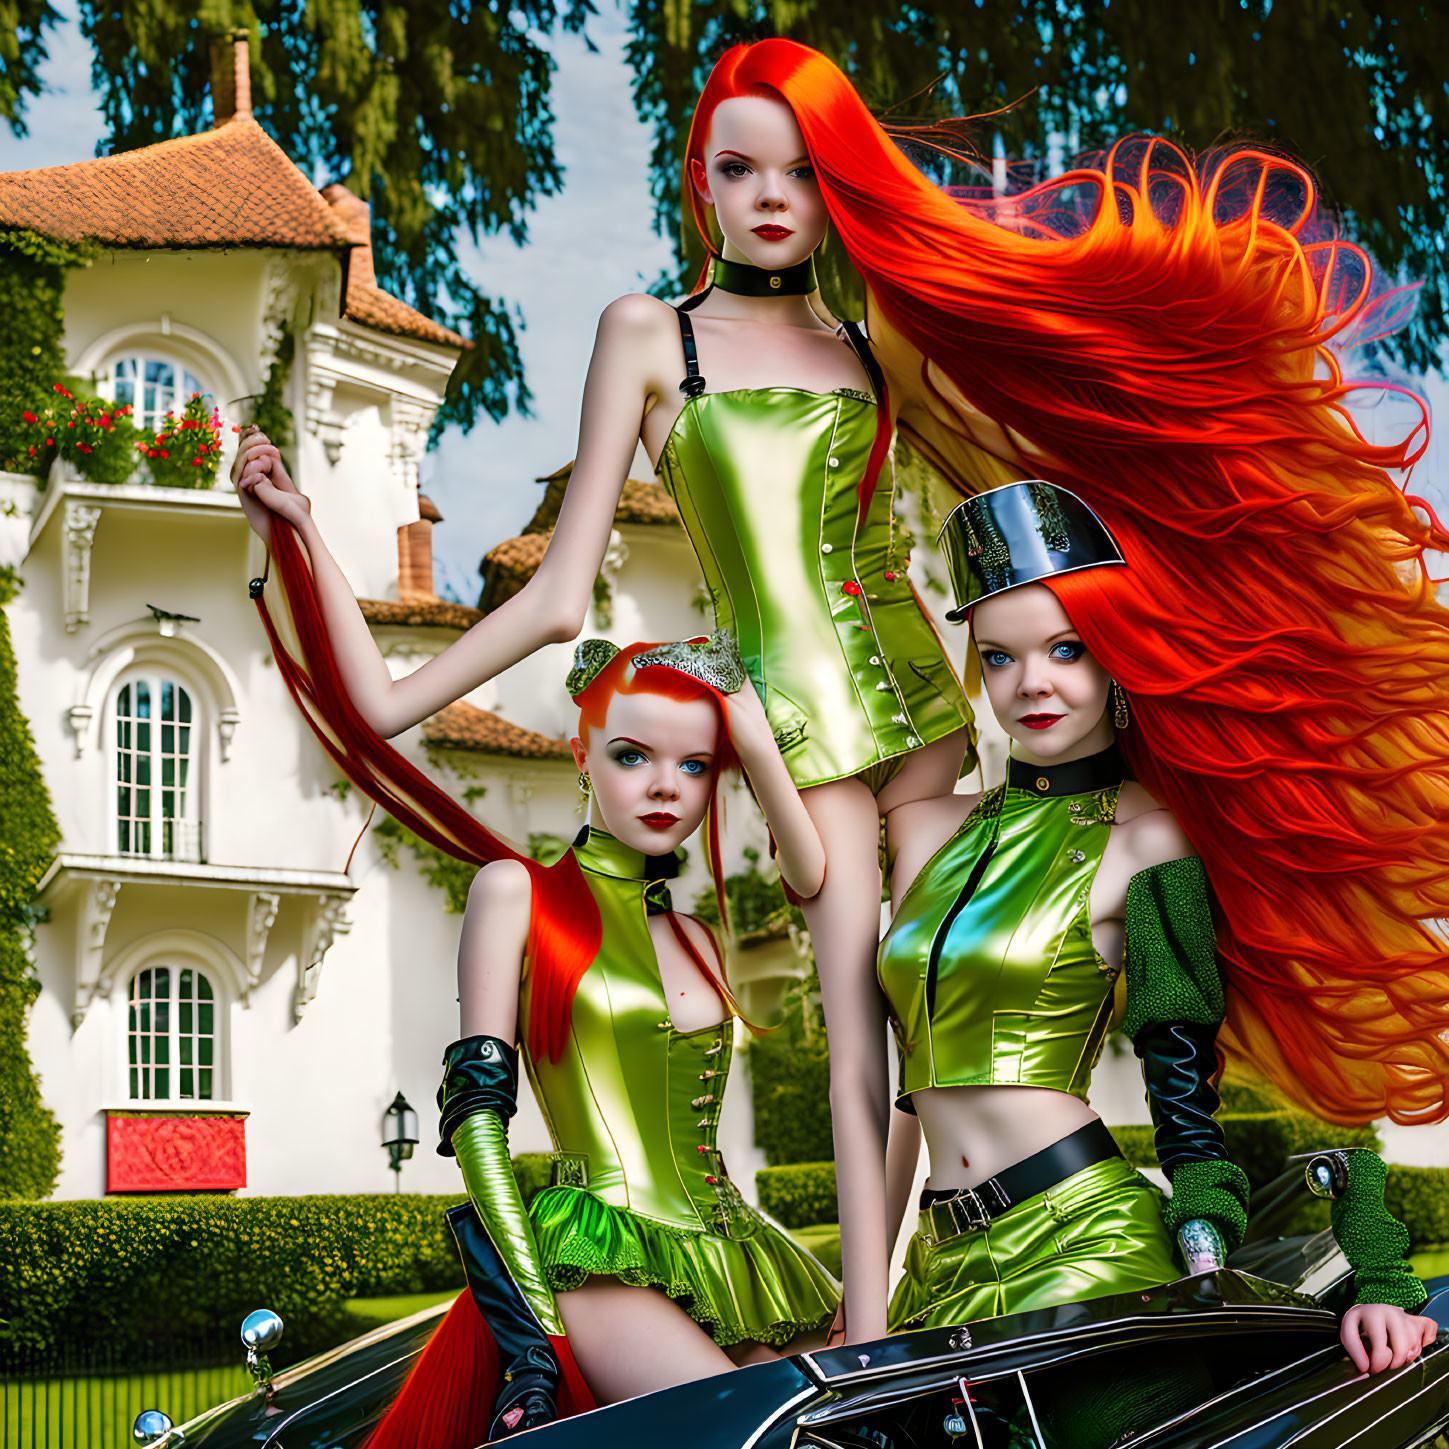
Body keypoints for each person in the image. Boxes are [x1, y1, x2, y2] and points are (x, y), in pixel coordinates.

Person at [234, 34, 1449, 1344]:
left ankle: (912, 1312)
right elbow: (556, 596)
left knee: (934, 1009)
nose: (772, 198)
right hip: (794, 732)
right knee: (864, 1026)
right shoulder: (652, 337)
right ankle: (871, 1328)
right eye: (740, 169)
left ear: (833, 193)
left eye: (803, 174)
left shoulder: (871, 337)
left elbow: (1010, 483)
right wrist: (382, 682)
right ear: (698, 181)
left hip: (923, 707)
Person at [878, 480, 1438, 1387]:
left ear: (1113, 660)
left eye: (1067, 648)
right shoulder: (921, 831)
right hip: (936, 1270)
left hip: (1077, 1233)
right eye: (999, 658)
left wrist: (1354, 1271)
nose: (1033, 684)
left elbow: (1181, 1077)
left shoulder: (1149, 837)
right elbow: (894, 1086)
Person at [357, 634, 837, 1448]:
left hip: (735, 1253)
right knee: (764, 1435)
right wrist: (530, 1343)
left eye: (695, 766)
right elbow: (476, 1127)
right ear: (581, 756)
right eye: (631, 755)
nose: (665, 787)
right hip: (595, 1255)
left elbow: (814, 872)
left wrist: (752, 739)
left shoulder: (696, 936)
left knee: (848, 1421)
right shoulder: (517, 893)